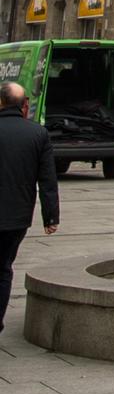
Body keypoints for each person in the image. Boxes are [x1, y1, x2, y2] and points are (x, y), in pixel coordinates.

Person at [0, 81, 57, 331]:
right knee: (3, 267)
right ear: (24, 106)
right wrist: (51, 217)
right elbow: (47, 179)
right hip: (17, 217)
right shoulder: (37, 134)